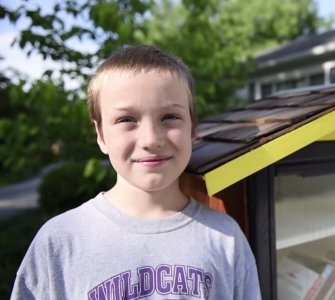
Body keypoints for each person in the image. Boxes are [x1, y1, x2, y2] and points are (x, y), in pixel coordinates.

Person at [11, 45, 262, 300]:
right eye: (126, 120)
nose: (151, 139)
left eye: (170, 117)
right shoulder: (58, 243)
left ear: (192, 127)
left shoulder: (226, 238)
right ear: (101, 135)